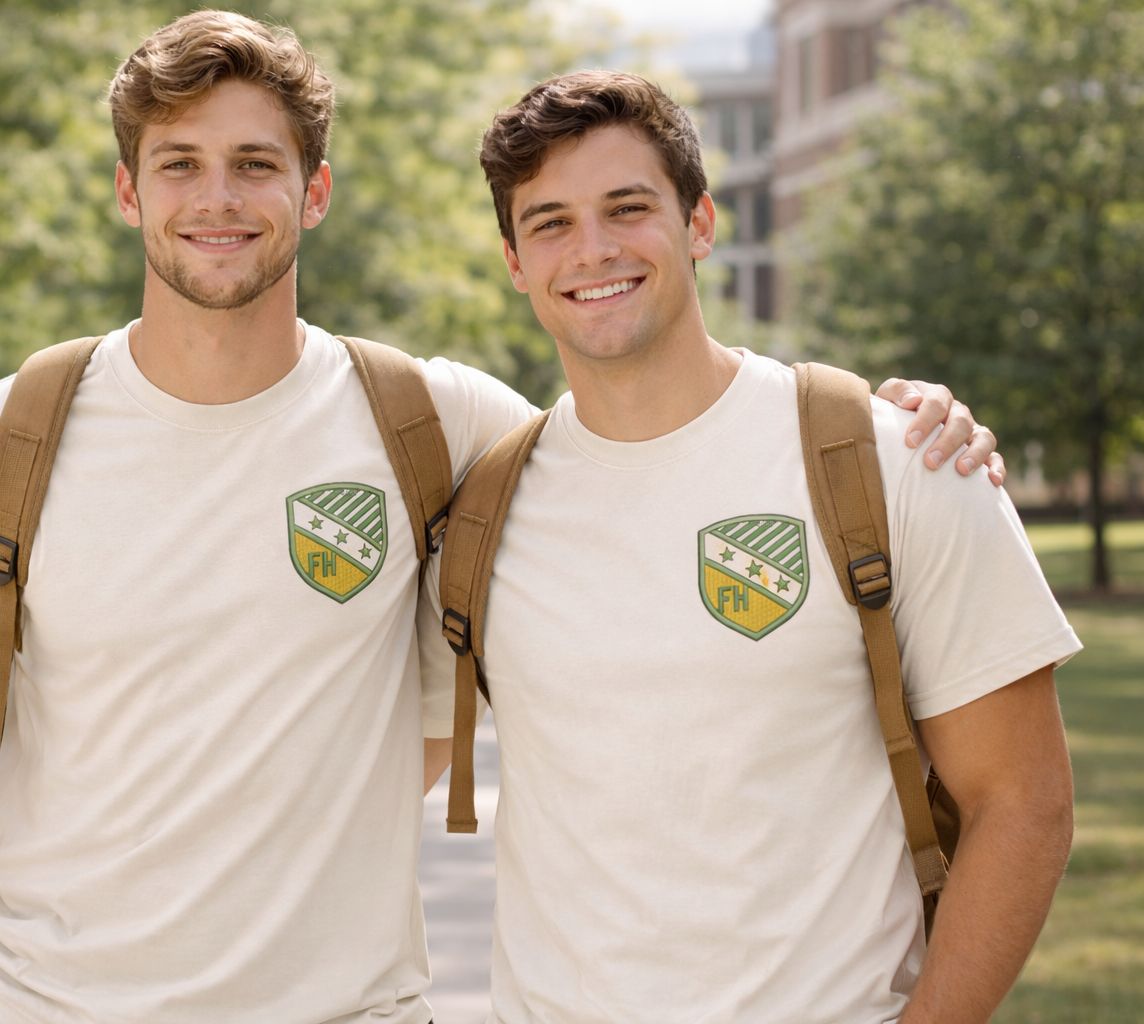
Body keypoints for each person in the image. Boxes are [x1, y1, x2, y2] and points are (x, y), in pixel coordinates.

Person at [0, 13, 1002, 1024]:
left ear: (315, 191)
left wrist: (907, 426)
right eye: (179, 164)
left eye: (256, 162)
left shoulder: (433, 424)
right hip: (40, 1005)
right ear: (126, 191)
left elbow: (662, 431)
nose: (217, 199)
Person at [421, 70, 1079, 1024]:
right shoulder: (486, 507)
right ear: (516, 261)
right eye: (550, 222)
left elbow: (1023, 802)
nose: (593, 248)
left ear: (700, 223)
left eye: (628, 207)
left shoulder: (892, 462)